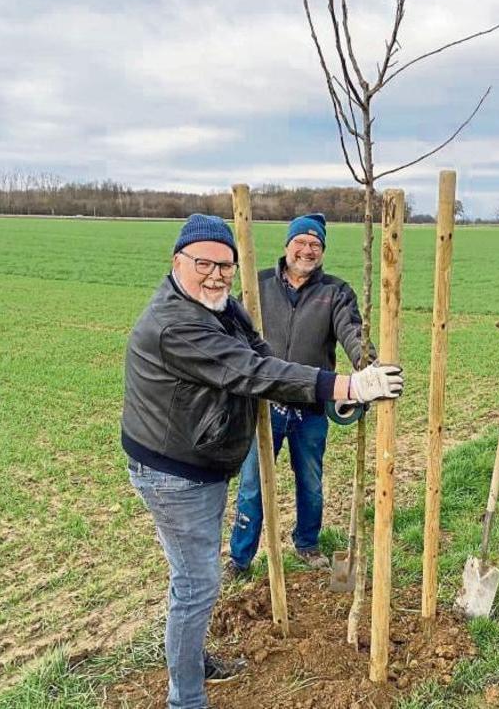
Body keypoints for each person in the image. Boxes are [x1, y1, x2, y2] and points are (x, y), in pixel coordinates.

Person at [121, 214, 403, 709]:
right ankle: (185, 698)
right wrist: (347, 386)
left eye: (225, 266)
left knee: (197, 576)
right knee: (195, 583)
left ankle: (193, 657)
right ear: (177, 262)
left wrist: (358, 366)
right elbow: (248, 368)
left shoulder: (224, 307)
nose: (216, 275)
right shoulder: (175, 324)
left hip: (199, 459)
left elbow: (258, 349)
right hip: (173, 471)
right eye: (203, 264)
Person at [227, 213, 374, 577]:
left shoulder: (335, 292)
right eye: (301, 242)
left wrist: (366, 364)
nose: (307, 250)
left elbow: (352, 331)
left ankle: (307, 544)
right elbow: (229, 331)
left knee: (310, 481)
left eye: (316, 245)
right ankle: (240, 559)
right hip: (264, 407)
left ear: (322, 251)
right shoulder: (255, 284)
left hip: (310, 407)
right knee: (252, 485)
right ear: (287, 245)